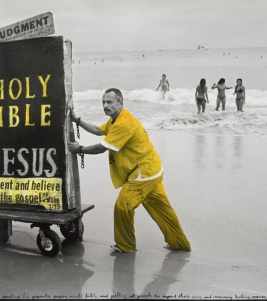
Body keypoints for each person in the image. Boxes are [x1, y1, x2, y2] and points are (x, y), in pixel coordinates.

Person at [68, 88, 191, 253]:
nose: (105, 105)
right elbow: (98, 130)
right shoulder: (115, 120)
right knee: (162, 208)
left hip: (143, 173)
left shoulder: (124, 123)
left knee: (123, 205)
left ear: (120, 102)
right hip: (153, 169)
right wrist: (77, 120)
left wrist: (79, 149)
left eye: (110, 102)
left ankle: (126, 245)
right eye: (103, 102)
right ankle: (180, 243)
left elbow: (102, 147)